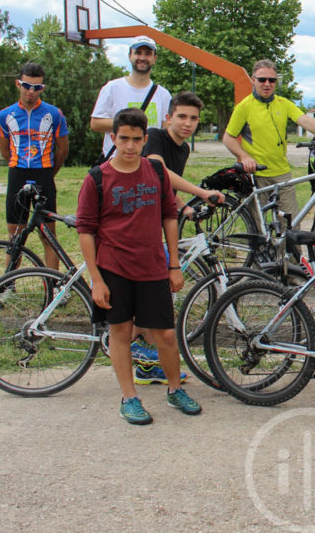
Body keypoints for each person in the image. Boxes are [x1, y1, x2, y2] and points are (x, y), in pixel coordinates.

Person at [76, 108, 200, 425]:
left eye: (136, 140)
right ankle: (129, 398)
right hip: (113, 269)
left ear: (145, 139)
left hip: (153, 267)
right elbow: (86, 231)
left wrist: (174, 264)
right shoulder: (97, 178)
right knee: (120, 333)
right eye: (123, 139)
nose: (129, 147)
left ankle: (174, 390)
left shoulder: (156, 173)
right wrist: (96, 280)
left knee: (167, 336)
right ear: (113, 138)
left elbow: (169, 218)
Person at [221, 59, 315, 221]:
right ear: (253, 80)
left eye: (272, 80)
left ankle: (287, 248)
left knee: (290, 224)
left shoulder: (283, 104)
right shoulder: (244, 107)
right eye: (262, 80)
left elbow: (305, 121)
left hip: (282, 173)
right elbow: (228, 137)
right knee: (258, 225)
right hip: (257, 174)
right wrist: (244, 156)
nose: (267, 84)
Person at [0, 61, 69, 270]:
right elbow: (5, 149)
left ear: (42, 89)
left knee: (48, 235)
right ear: (18, 84)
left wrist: (48, 173)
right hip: (17, 174)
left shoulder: (54, 114)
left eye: (36, 88)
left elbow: (62, 149)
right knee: (15, 236)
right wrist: (17, 165)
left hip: (43, 175)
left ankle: (54, 285)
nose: (31, 91)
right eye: (27, 86)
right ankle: (8, 285)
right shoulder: (5, 114)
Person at [90, 36, 172, 159]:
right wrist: (128, 123)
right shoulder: (112, 88)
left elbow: (167, 130)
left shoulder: (163, 94)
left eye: (148, 54)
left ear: (154, 58)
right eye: (138, 53)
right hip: (116, 161)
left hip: (148, 163)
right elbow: (95, 124)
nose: (143, 58)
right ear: (130, 56)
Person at [143, 92, 224, 213]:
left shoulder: (184, 149)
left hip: (158, 212)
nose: (188, 123)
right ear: (168, 118)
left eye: (193, 118)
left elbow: (167, 187)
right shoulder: (154, 136)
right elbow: (160, 173)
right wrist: (202, 193)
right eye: (182, 116)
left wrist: (184, 207)